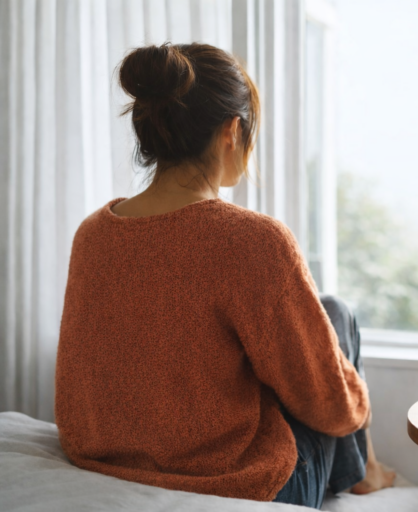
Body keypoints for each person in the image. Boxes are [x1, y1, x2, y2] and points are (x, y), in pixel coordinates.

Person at [54, 42, 394, 510]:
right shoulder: (252, 241)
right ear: (232, 131)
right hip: (232, 483)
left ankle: (364, 471)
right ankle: (365, 472)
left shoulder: (92, 234)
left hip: (104, 461)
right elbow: (330, 408)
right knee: (337, 314)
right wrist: (359, 402)